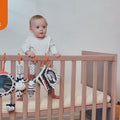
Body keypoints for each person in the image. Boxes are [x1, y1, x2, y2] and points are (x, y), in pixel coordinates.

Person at [22, 15, 61, 99]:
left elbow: (52, 46)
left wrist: (55, 53)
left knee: (49, 79)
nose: (41, 29)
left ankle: (51, 94)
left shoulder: (48, 38)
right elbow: (24, 47)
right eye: (37, 27)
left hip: (45, 65)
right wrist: (28, 52)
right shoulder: (30, 39)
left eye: (44, 27)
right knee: (29, 79)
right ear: (31, 30)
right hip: (33, 64)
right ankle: (23, 95)